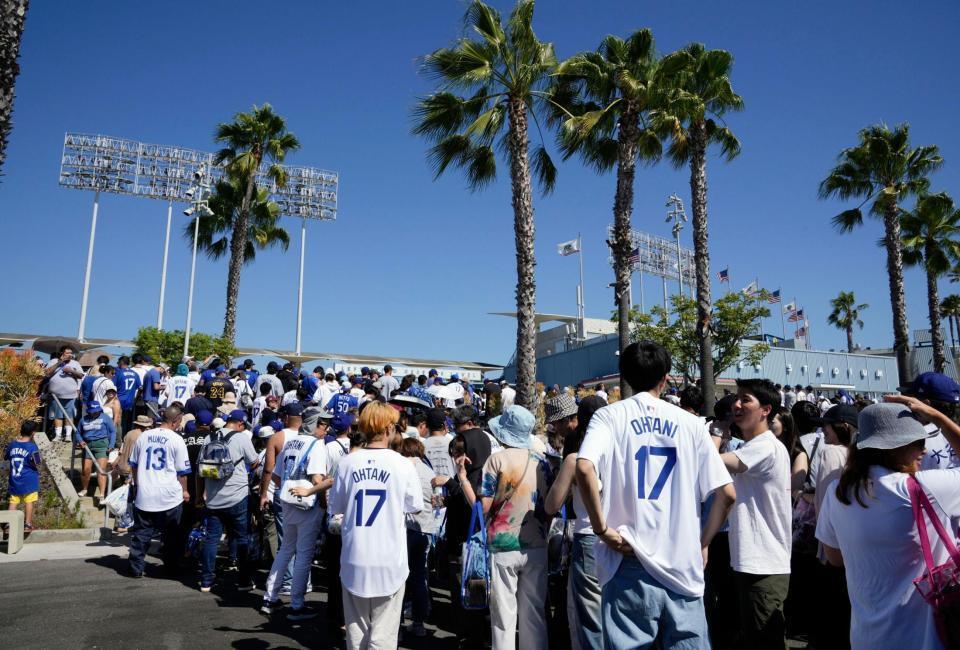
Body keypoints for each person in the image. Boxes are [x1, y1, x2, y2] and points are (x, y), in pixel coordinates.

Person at [576, 341, 735, 649]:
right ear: (665, 378)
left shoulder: (608, 417)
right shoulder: (691, 424)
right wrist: (702, 543)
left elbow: (584, 468)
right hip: (681, 564)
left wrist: (601, 530)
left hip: (628, 559)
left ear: (626, 377)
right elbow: (726, 493)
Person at [816, 397, 960, 649]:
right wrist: (936, 415)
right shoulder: (923, 488)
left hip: (867, 637)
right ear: (895, 447)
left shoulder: (837, 491)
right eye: (918, 443)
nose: (923, 451)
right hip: (928, 636)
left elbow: (834, 557)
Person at [455, 405, 551, 650]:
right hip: (536, 544)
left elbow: (482, 507)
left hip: (502, 544)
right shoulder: (541, 461)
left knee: (503, 617)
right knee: (534, 614)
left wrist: (463, 478)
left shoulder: (497, 460)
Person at [328, 402, 422, 650]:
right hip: (389, 559)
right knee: (383, 636)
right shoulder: (403, 464)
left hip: (354, 556)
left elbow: (336, 506)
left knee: (357, 634)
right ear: (389, 428)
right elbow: (415, 505)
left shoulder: (348, 463)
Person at [719, 379, 792, 650]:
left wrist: (711, 438)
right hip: (751, 561)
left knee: (765, 641)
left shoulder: (765, 446)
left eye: (746, 399)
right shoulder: (754, 446)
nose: (736, 405)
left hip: (764, 565)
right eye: (736, 398)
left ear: (766, 410)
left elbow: (721, 462)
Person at [544, 395, 607, 649]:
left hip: (590, 537)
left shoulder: (575, 459)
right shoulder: (623, 450)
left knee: (591, 620)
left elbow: (551, 505)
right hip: (624, 537)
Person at [261, 406, 329, 621]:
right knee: (303, 554)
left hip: (288, 501)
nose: (325, 428)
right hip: (307, 504)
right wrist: (325, 492)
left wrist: (290, 489)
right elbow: (317, 480)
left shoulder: (291, 442)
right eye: (322, 423)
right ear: (313, 424)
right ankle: (297, 605)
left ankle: (270, 597)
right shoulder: (317, 445)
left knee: (286, 549)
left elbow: (275, 475)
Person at [198, 410, 259, 593]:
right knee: (242, 539)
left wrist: (200, 494)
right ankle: (244, 580)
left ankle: (206, 581)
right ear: (240, 424)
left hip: (213, 498)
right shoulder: (241, 439)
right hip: (237, 496)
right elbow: (255, 462)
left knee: (211, 540)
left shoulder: (209, 438)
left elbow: (199, 470)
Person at [127, 405, 191, 577]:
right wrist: (185, 491)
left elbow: (133, 465)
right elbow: (182, 473)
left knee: (141, 534)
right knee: (171, 535)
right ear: (176, 421)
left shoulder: (144, 436)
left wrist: (137, 484)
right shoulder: (177, 439)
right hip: (169, 494)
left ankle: (136, 568)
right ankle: (171, 568)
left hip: (145, 492)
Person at [398, 437, 439, 638]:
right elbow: (438, 501)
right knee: (419, 577)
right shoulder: (429, 472)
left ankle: (396, 626)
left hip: (404, 527)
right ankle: (418, 623)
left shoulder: (400, 468)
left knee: (399, 577)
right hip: (425, 528)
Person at [898, 372, 960, 470]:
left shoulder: (911, 440)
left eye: (910, 401)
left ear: (924, 405)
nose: (907, 405)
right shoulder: (956, 431)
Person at [5, 421, 42, 532]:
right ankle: (28, 524)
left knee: (13, 502)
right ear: (33, 433)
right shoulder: (32, 447)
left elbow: (6, 456)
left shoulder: (12, 445)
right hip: (28, 479)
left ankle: (8, 525)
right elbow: (38, 462)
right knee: (29, 501)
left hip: (14, 479)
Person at [76, 400, 117, 498]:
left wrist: (111, 445)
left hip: (102, 445)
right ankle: (85, 489)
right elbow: (77, 432)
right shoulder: (83, 419)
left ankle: (102, 493)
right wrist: (81, 441)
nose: (95, 412)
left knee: (101, 470)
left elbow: (112, 432)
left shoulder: (105, 418)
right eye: (93, 410)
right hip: (88, 445)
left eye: (97, 410)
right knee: (86, 469)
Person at [44, 345, 84, 442]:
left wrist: (71, 371)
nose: (70, 355)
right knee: (57, 415)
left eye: (71, 353)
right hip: (56, 395)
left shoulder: (75, 363)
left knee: (69, 415)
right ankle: (58, 435)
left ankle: (68, 435)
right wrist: (60, 362)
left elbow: (81, 375)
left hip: (70, 395)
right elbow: (47, 373)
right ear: (62, 354)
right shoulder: (54, 361)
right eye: (67, 353)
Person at [422, 408, 455, 478]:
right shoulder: (453, 444)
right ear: (444, 425)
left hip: (430, 486)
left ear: (427, 425)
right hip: (451, 486)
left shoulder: (421, 445)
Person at [114, 356, 142, 435]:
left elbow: (112, 387)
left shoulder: (118, 373)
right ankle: (126, 438)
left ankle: (119, 440)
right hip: (130, 401)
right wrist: (136, 398)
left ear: (122, 363)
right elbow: (140, 387)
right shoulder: (135, 374)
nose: (118, 364)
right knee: (129, 421)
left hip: (119, 400)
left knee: (119, 422)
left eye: (118, 362)